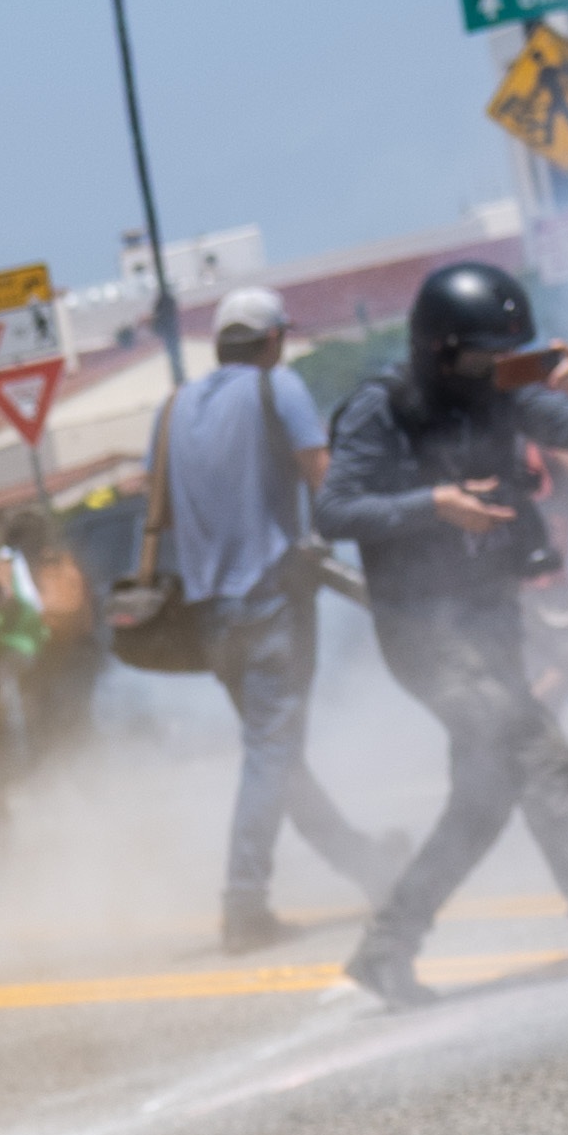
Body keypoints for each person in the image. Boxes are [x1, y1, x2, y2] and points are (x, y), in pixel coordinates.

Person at [317, 261, 568, 999]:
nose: (492, 370)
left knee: (483, 800)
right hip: (426, 633)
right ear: (439, 348)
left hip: (488, 620)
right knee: (541, 758)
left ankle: (387, 949)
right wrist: (434, 504)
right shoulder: (379, 409)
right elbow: (334, 511)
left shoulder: (497, 393)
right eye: (480, 354)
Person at [154, 286, 391, 950]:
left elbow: (164, 514)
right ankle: (243, 902)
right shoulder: (275, 386)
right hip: (270, 602)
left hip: (209, 617)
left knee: (276, 754)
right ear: (272, 340)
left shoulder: (172, 409)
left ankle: (367, 864)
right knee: (271, 754)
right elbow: (327, 480)